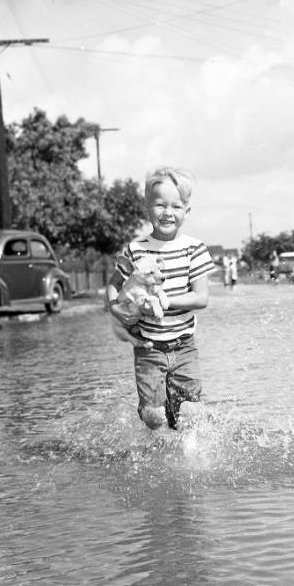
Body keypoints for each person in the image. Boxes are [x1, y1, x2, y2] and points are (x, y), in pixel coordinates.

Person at [106, 166, 215, 431]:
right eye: (160, 205)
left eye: (176, 207)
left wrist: (165, 300)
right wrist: (115, 308)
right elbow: (114, 284)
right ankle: (152, 414)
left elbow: (201, 298)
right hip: (148, 347)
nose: (168, 213)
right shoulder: (135, 250)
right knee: (155, 419)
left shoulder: (194, 249)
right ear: (147, 207)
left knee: (189, 414)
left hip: (183, 345)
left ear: (186, 212)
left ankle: (191, 452)